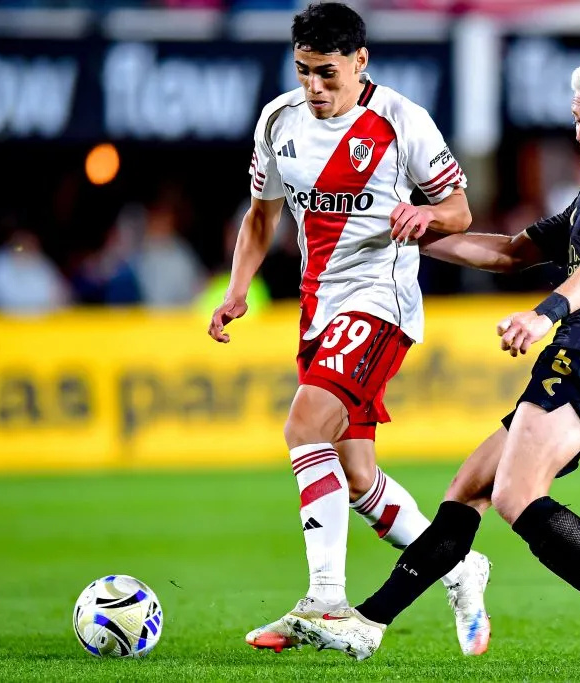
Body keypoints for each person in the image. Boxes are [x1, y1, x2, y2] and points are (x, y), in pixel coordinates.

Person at [283, 54, 580, 667]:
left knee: (517, 496)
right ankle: (369, 623)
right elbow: (511, 251)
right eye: (578, 121)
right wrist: (421, 231)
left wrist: (546, 313)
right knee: (470, 488)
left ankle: (364, 622)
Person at [207, 2, 492, 656]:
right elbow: (260, 215)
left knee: (304, 427)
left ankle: (326, 600)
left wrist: (427, 219)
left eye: (328, 74)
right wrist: (236, 289)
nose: (314, 87)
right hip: (318, 310)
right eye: (304, 70)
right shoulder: (279, 120)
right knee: (357, 475)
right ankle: (458, 565)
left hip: (380, 303)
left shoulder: (401, 121)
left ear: (361, 62)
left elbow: (459, 208)